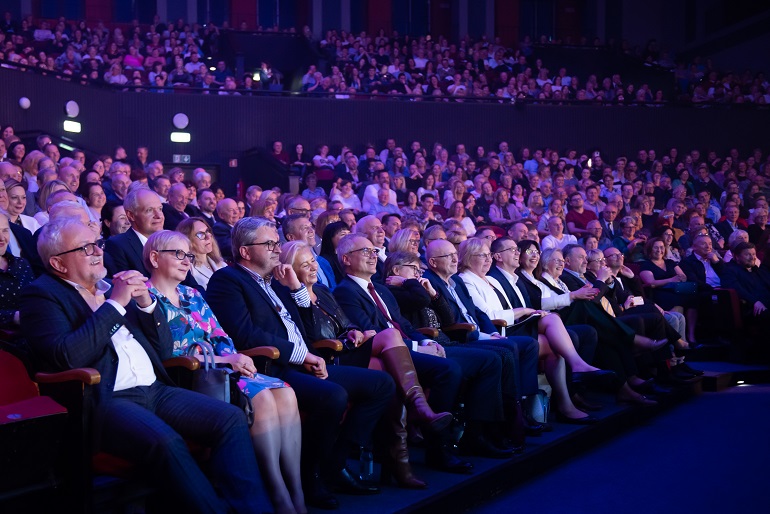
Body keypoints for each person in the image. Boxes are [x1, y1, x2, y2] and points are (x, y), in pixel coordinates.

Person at [21, 218, 268, 513]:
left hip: (156, 389)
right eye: (86, 248)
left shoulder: (107, 286)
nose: (99, 252)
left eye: (98, 244)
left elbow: (162, 347)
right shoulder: (43, 294)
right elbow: (66, 355)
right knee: (167, 442)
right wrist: (114, 304)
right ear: (59, 264)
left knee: (229, 418)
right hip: (109, 399)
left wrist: (146, 304)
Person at [204, 217, 394, 509]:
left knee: (381, 384)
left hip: (302, 361)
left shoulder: (274, 282)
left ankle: (334, 463)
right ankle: (310, 476)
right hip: (271, 368)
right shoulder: (228, 280)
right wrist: (303, 356)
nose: (276, 250)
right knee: (333, 396)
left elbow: (307, 329)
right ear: (245, 251)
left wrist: (295, 287)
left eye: (276, 243)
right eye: (269, 244)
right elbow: (245, 334)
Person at [144, 230, 305, 514]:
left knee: (285, 391)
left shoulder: (192, 294)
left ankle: (295, 489)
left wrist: (233, 355)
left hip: (224, 368)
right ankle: (277, 491)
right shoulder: (145, 299)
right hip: (191, 380)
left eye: (189, 256)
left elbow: (219, 334)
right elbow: (168, 353)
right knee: (264, 398)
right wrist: (224, 359)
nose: (186, 261)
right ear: (155, 258)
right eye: (178, 254)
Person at [281, 240, 451, 488]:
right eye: (304, 263)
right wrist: (298, 291)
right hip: (329, 358)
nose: (312, 266)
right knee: (391, 337)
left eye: (313, 261)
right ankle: (415, 417)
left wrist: (352, 332)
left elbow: (346, 322)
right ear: (289, 269)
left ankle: (398, 457)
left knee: (386, 371)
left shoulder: (324, 292)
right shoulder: (289, 296)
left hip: (351, 349)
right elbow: (308, 337)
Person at [457, 237, 606, 423]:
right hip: (499, 330)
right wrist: (525, 311)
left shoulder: (489, 279)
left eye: (488, 255)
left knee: (553, 320)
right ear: (469, 258)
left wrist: (531, 313)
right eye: (483, 256)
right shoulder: (466, 280)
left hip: (513, 324)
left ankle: (564, 398)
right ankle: (561, 398)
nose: (488, 260)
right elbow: (487, 315)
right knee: (553, 338)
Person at [517, 243, 660, 405]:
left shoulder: (559, 282)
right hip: (555, 322)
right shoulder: (547, 280)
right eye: (556, 260)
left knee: (603, 338)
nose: (561, 263)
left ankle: (625, 388)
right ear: (545, 264)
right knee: (585, 305)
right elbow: (542, 304)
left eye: (561, 260)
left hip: (577, 318)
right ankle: (631, 340)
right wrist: (579, 293)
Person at [638, 238, 699, 342]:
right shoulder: (645, 265)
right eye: (655, 247)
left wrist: (679, 279)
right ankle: (678, 340)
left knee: (694, 299)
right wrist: (671, 280)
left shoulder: (670, 262)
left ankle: (691, 335)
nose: (659, 250)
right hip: (658, 292)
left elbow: (683, 276)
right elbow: (651, 283)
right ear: (649, 250)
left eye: (661, 247)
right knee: (676, 301)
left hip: (675, 290)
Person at [0, 214, 35, 328]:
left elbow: (35, 297)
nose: (1, 238)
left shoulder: (21, 264)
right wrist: (14, 316)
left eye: (5, 231)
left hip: (35, 330)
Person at [177, 217, 227, 290]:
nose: (208, 237)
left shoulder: (222, 263)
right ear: (187, 240)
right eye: (200, 234)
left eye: (207, 231)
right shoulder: (187, 268)